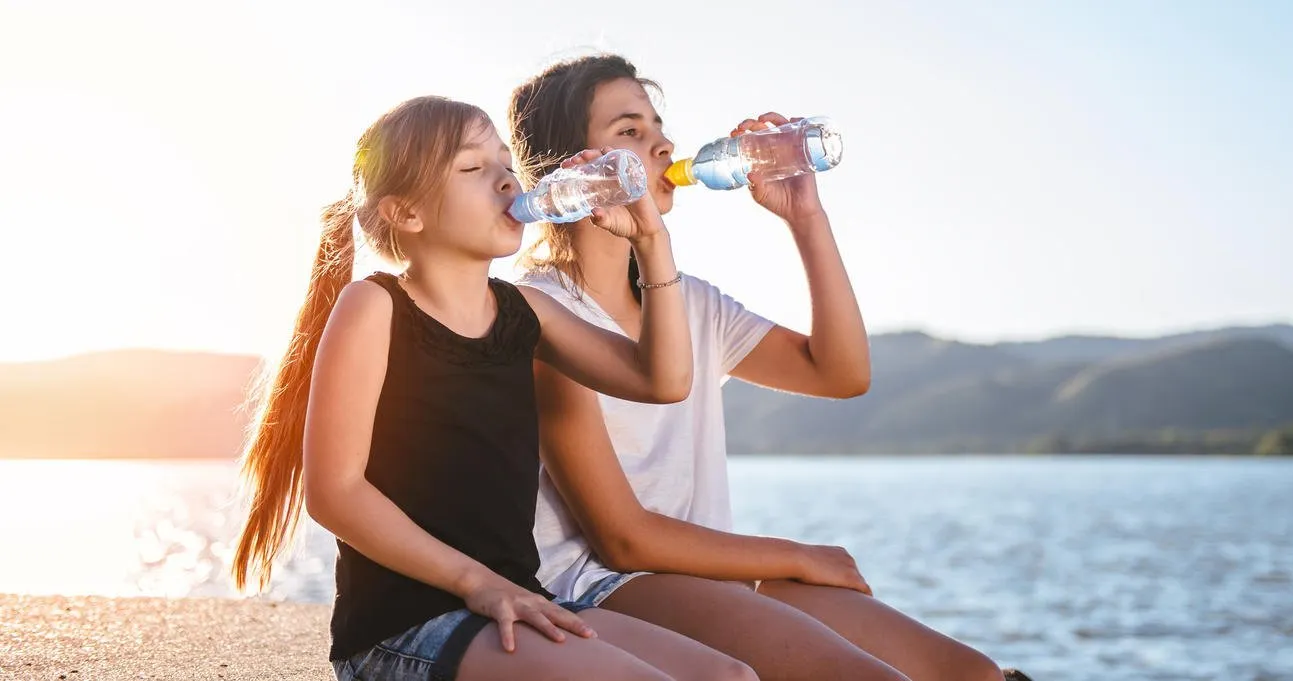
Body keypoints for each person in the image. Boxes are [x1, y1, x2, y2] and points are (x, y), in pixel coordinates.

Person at [507, 54, 1013, 681]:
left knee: (972, 672)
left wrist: (805, 217)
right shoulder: (543, 315)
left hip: (705, 577)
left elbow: (841, 374)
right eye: (630, 131)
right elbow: (622, 539)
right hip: (602, 586)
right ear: (573, 168)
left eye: (659, 126)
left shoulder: (689, 303)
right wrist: (797, 557)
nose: (664, 145)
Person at [228, 94, 758, 681]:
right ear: (407, 213)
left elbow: (664, 381)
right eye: (474, 167)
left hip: (517, 601)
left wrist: (650, 241)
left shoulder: (523, 311)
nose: (507, 181)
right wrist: (477, 583)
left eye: (506, 163)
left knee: (730, 677)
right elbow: (335, 493)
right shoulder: (374, 305)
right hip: (406, 627)